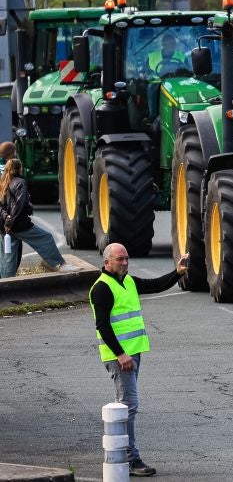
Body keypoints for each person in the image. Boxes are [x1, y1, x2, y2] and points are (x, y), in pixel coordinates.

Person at [89, 244, 189, 477]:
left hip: (132, 354)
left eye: (126, 258)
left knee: (125, 405)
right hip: (120, 356)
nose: (125, 262)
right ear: (107, 263)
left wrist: (178, 272)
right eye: (119, 259)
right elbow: (102, 325)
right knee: (128, 406)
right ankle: (129, 458)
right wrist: (120, 354)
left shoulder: (127, 281)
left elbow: (154, 285)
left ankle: (121, 454)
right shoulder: (102, 288)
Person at [0, 156, 67, 278]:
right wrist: (9, 222)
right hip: (19, 225)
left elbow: (1, 206)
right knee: (45, 238)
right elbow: (19, 205)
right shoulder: (20, 182)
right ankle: (60, 264)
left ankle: (6, 283)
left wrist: (5, 219)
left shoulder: (3, 182)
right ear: (20, 169)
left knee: (8, 256)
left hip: (4, 227)